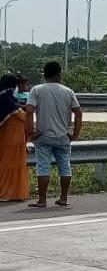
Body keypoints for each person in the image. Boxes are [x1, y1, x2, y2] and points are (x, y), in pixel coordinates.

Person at [24, 61, 83, 207]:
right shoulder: (68, 91)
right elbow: (78, 113)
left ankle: (42, 200)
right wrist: (75, 134)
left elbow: (29, 110)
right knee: (65, 166)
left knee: (43, 167)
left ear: (44, 74)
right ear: (59, 74)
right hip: (63, 136)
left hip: (43, 136)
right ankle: (63, 198)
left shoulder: (36, 90)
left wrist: (30, 132)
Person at [0, 74, 29, 202]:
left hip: (17, 141)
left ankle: (15, 193)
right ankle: (5, 192)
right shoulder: (5, 101)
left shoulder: (11, 100)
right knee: (6, 166)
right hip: (9, 141)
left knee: (16, 166)